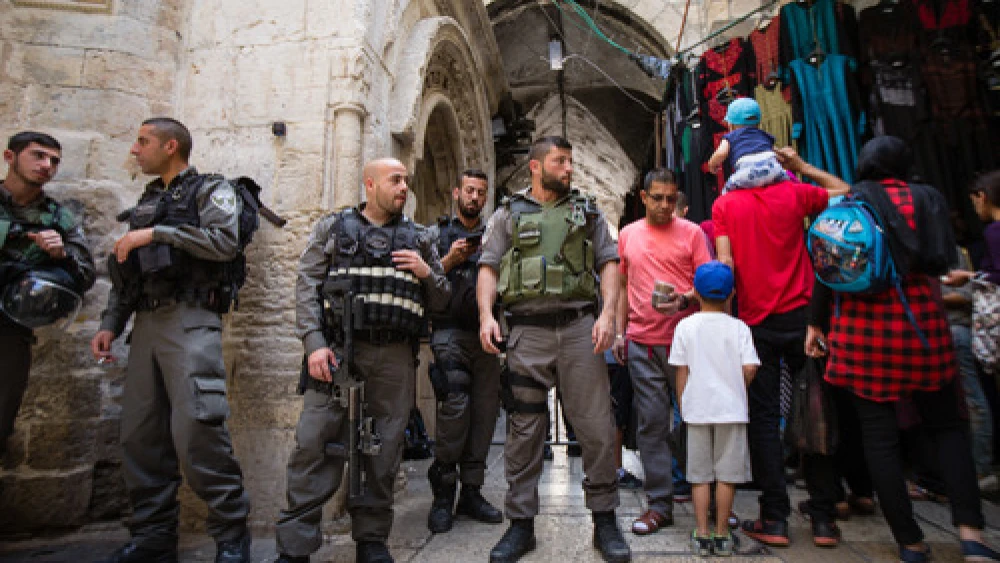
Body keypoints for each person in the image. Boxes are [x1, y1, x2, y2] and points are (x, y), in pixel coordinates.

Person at [807, 137, 1000, 563]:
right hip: (922, 328)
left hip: (862, 333)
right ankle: (972, 534)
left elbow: (826, 266)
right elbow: (942, 260)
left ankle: (910, 541)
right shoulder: (927, 199)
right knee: (949, 428)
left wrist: (815, 322)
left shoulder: (850, 203)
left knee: (879, 437)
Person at [90, 118, 251, 563]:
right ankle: (154, 535)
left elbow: (224, 242)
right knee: (139, 435)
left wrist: (158, 233)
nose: (135, 150)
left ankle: (232, 534)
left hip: (190, 320)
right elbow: (129, 274)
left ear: (170, 145)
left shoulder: (209, 190)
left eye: (143, 141)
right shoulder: (148, 200)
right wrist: (110, 323)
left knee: (198, 428)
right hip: (146, 323)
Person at [273, 157, 449, 563]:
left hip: (393, 360)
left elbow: (441, 300)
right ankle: (295, 546)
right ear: (370, 184)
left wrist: (426, 273)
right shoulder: (333, 230)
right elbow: (307, 287)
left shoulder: (420, 239)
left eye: (406, 180)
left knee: (383, 449)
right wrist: (314, 343)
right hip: (336, 353)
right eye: (395, 180)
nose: (404, 187)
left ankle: (371, 540)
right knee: (314, 445)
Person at [478, 135, 630, 563]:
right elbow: (488, 267)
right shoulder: (508, 214)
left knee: (598, 428)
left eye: (570, 161)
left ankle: (604, 520)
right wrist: (486, 317)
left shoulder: (589, 210)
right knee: (525, 432)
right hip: (527, 333)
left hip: (580, 327)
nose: (568, 169)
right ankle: (521, 526)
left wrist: (608, 316)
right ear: (535, 166)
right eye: (560, 161)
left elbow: (609, 263)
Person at [712, 145, 848, 547]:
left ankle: (774, 518)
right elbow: (845, 191)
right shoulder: (795, 193)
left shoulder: (726, 206)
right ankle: (823, 518)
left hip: (756, 325)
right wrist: (802, 167)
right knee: (816, 412)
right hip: (806, 321)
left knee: (764, 420)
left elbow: (725, 267)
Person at [613, 169, 712, 536]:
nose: (665, 205)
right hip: (642, 342)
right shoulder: (628, 235)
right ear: (643, 197)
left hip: (686, 342)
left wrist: (685, 299)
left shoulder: (693, 233)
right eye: (657, 198)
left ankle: (711, 500)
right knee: (652, 424)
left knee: (698, 421)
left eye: (671, 198)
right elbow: (623, 286)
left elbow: (709, 285)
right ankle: (659, 505)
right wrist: (621, 334)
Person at [1, 131, 95, 456]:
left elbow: (86, 274)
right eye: (37, 156)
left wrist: (61, 254)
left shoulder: (58, 218)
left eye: (54, 161)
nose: (47, 166)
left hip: (10, 331)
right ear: (10, 157)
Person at [425, 169, 503, 534]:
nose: (474, 197)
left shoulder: (494, 236)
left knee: (485, 414)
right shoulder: (434, 236)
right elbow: (421, 284)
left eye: (480, 193)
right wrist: (449, 261)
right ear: (456, 192)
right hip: (448, 332)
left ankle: (471, 491)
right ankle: (443, 493)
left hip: (485, 337)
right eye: (469, 191)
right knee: (456, 408)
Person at [669, 261, 759, 557]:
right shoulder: (740, 328)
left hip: (696, 409)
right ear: (732, 294)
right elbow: (749, 368)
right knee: (726, 474)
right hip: (731, 410)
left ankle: (701, 532)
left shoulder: (685, 326)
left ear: (695, 292)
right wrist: (736, 387)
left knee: (699, 475)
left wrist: (683, 403)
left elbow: (681, 371)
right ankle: (722, 532)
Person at [706, 98, 787, 194]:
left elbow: (721, 153)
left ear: (730, 125)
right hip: (773, 170)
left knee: (725, 193)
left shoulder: (731, 137)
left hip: (747, 174)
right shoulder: (763, 134)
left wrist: (711, 165)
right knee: (788, 182)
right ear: (758, 123)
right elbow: (776, 153)